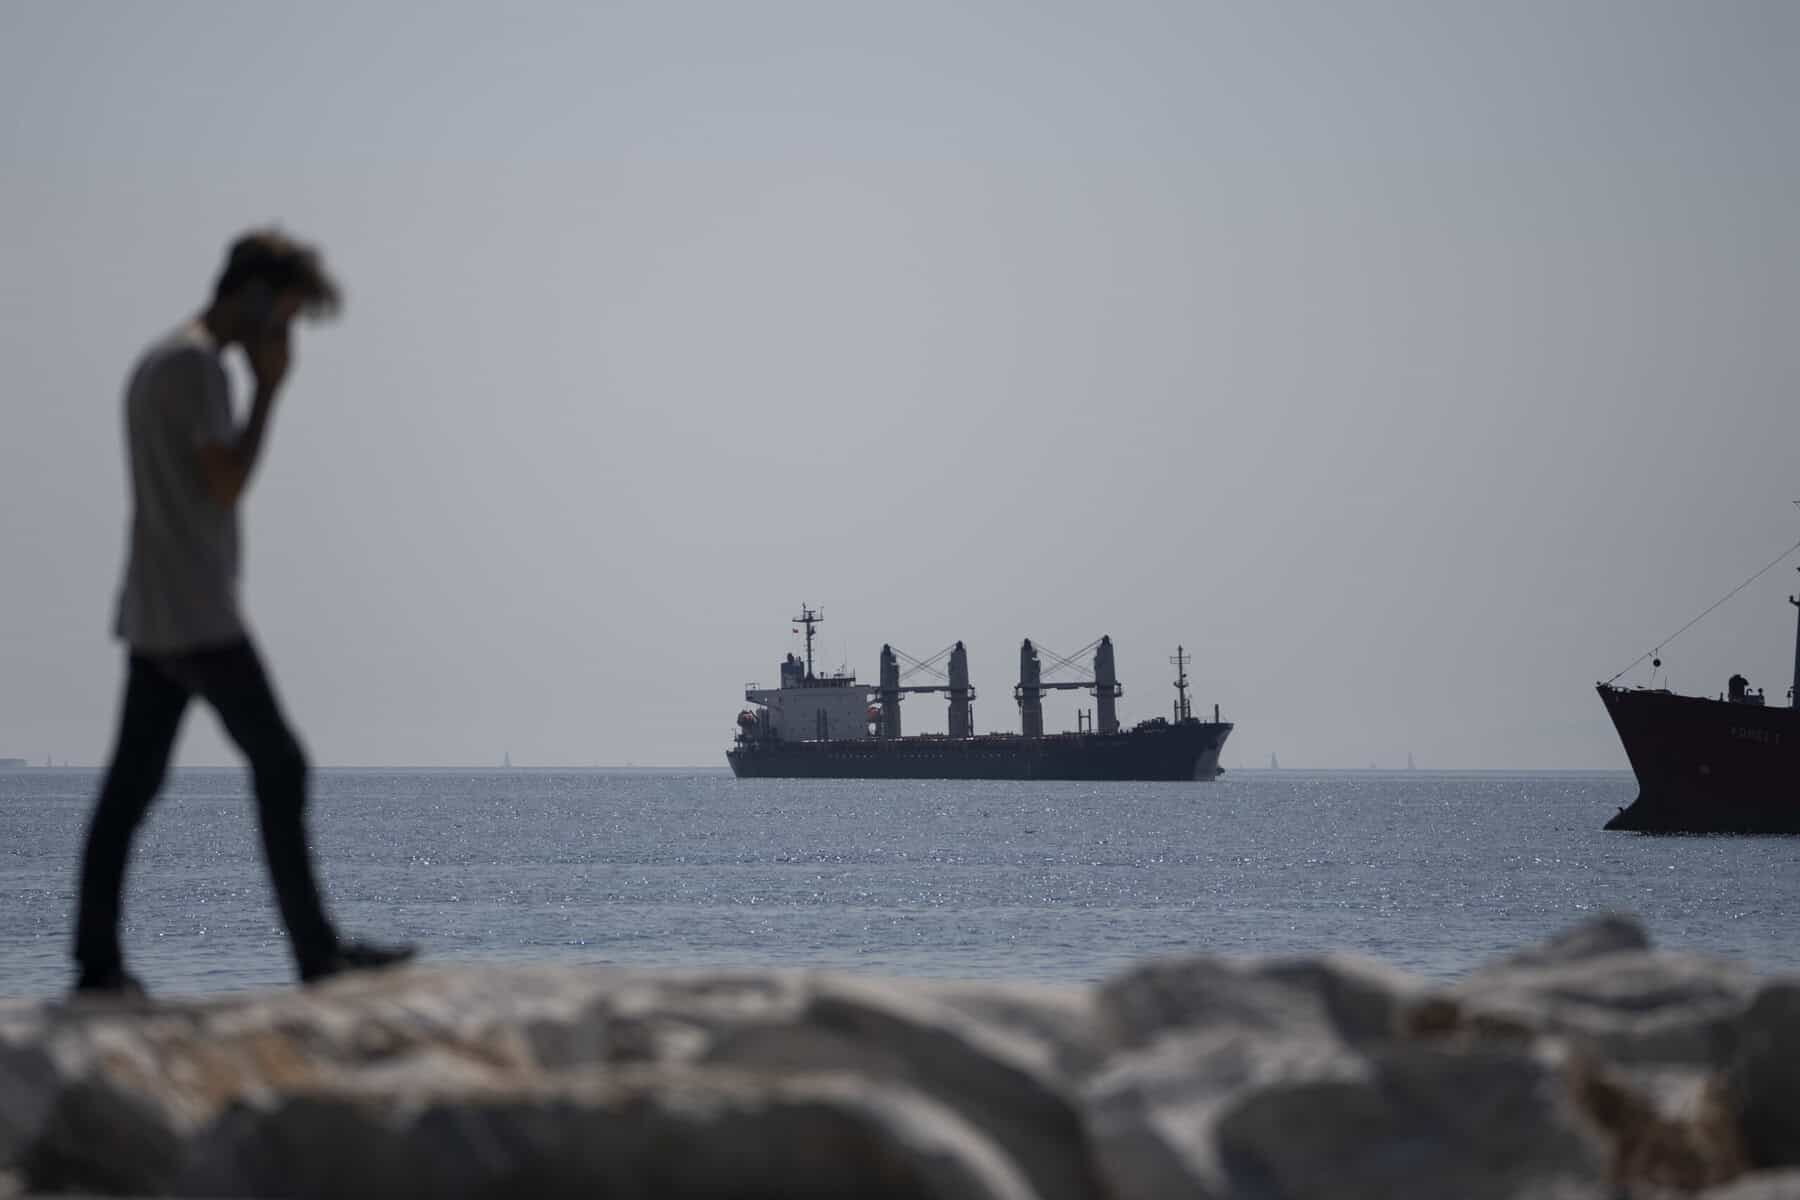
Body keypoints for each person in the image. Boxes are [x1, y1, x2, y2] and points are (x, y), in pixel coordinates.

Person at [72, 230, 414, 996]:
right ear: (255, 297)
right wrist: (269, 390)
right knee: (281, 765)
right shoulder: (199, 369)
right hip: (197, 609)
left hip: (156, 605)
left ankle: (95, 962)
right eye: (286, 316)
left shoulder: (159, 360)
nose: (285, 335)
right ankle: (316, 956)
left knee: (131, 785)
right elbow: (224, 484)